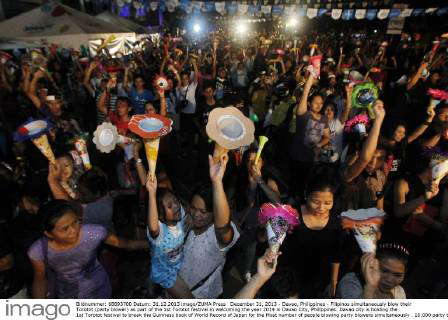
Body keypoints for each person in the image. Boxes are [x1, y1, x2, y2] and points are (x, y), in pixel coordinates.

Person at [28, 200, 148, 298]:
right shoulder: (38, 251)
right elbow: (40, 278)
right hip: (68, 296)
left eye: (75, 222)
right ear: (48, 233)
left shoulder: (93, 233)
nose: (74, 230)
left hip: (99, 291)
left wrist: (154, 243)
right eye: (65, 229)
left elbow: (124, 243)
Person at [179, 153, 240, 298]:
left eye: (203, 211)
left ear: (214, 213)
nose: (196, 215)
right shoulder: (186, 221)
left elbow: (223, 227)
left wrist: (217, 182)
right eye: (193, 208)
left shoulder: (217, 237)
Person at [280, 175, 343, 298]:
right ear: (306, 195)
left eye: (327, 203)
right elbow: (281, 249)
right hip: (290, 278)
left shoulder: (336, 221)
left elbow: (336, 254)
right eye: (316, 202)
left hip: (317, 280)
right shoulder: (293, 215)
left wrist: (333, 281)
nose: (321, 208)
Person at [145, 174, 193, 298]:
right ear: (159, 216)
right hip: (165, 272)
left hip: (179, 264)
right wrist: (151, 193)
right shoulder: (159, 231)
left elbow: (188, 208)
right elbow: (153, 227)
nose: (176, 206)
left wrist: (191, 215)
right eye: (170, 206)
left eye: (176, 202)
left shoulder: (180, 213)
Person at [290, 73, 330, 199]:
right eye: (315, 102)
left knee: (305, 187)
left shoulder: (324, 119)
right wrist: (310, 81)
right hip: (297, 157)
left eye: (321, 103)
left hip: (310, 158)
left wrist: (319, 144)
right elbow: (305, 94)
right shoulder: (304, 114)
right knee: (294, 186)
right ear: (309, 103)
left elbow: (327, 137)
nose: (318, 105)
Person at [337, 243, 409, 299]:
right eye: (384, 271)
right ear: (370, 266)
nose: (389, 280)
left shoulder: (399, 292)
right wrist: (370, 287)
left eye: (397, 275)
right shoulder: (352, 281)